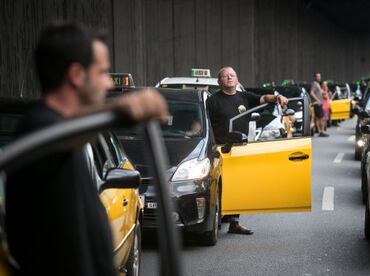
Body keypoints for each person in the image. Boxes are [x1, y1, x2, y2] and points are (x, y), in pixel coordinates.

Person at [5, 22, 168, 275]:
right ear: (77, 75)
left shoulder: (75, 138)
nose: (109, 85)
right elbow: (55, 137)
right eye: (103, 72)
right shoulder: (37, 130)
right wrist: (121, 108)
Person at [206, 66, 288, 235]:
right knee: (220, 185)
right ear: (219, 81)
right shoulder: (212, 101)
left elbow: (265, 98)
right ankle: (216, 218)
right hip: (220, 149)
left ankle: (234, 223)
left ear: (237, 79)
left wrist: (277, 97)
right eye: (225, 76)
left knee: (237, 184)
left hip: (240, 148)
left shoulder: (245, 97)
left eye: (232, 75)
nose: (229, 78)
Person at [310, 73, 329, 137]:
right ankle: (321, 131)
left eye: (319, 76)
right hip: (317, 103)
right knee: (322, 118)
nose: (319, 78)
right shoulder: (314, 84)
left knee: (318, 118)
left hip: (319, 103)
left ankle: (320, 131)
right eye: (318, 76)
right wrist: (317, 100)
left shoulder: (317, 84)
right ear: (314, 77)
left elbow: (322, 92)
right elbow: (311, 92)